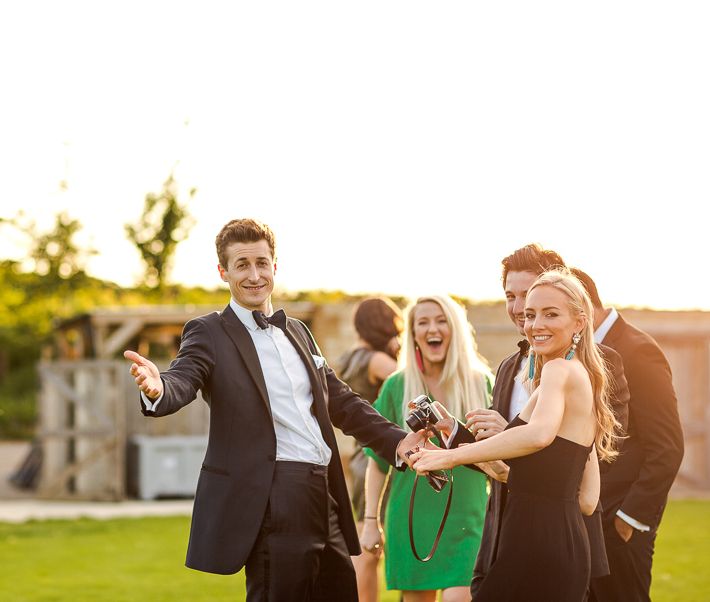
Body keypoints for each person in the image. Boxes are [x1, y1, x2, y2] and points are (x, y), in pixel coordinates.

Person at [123, 218, 425, 602]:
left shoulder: (297, 331)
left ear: (274, 266)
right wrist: (158, 386)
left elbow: (343, 402)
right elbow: (184, 377)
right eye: (242, 265)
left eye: (262, 263)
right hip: (273, 496)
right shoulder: (209, 332)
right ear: (223, 272)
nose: (254, 275)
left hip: (326, 493)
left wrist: (398, 442)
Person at [412, 269, 620, 602]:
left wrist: (447, 457)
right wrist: (451, 434)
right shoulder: (579, 382)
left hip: (536, 547)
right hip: (557, 546)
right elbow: (585, 499)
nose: (535, 324)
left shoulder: (557, 370)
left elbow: (537, 436)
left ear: (579, 322)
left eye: (551, 314)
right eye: (530, 315)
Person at [362, 295, 496, 602]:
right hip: (411, 519)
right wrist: (371, 522)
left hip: (468, 520)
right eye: (423, 322)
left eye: (441, 320)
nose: (432, 328)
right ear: (413, 334)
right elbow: (377, 463)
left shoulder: (482, 383)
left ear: (455, 329)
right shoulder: (396, 385)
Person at [572, 268, 684, 602]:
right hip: (583, 522)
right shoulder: (579, 355)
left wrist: (628, 520)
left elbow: (668, 447)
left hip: (620, 527)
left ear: (584, 308)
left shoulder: (638, 350)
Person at [336, 297, 403, 602]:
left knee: (367, 540)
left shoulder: (351, 357)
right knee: (371, 546)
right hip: (378, 458)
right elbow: (410, 384)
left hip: (359, 455)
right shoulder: (376, 361)